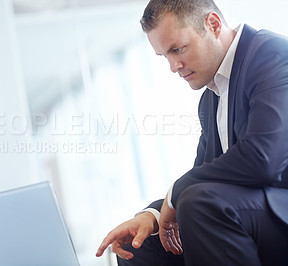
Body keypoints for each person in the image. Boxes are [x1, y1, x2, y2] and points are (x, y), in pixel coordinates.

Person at [95, 0, 288, 265]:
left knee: (198, 203)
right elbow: (205, 172)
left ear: (213, 24)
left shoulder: (271, 55)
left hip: (281, 213)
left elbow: (263, 160)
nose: (174, 66)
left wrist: (176, 194)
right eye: (165, 56)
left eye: (178, 49)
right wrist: (152, 216)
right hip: (247, 216)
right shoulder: (210, 97)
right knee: (140, 247)